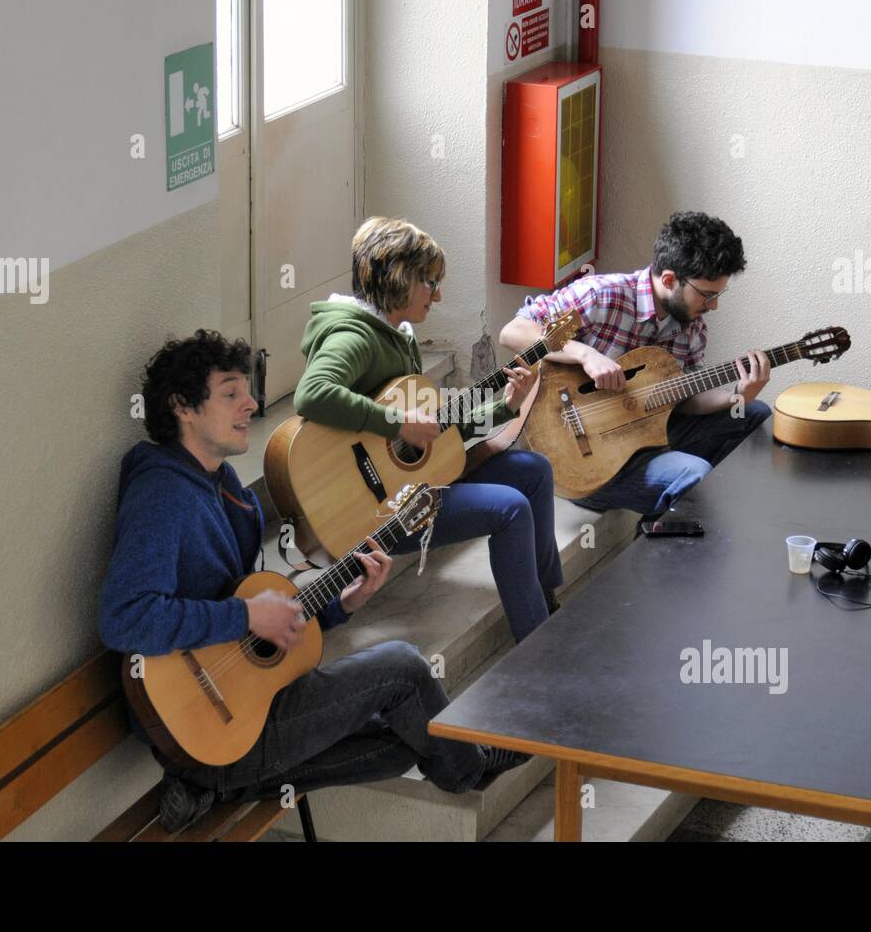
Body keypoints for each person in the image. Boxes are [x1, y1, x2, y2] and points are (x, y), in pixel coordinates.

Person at [98, 330, 523, 831]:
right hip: (205, 726)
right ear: (183, 408)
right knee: (403, 669)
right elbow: (126, 618)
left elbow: (258, 603)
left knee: (403, 740)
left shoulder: (223, 485)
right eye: (231, 393)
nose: (251, 405)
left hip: (242, 708)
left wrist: (342, 602)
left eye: (247, 391)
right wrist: (246, 615)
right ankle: (468, 768)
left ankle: (213, 787)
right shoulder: (162, 494)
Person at [294, 216, 564, 643]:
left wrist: (505, 406)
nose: (437, 295)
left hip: (410, 486)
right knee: (510, 508)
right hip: (375, 510)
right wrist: (397, 422)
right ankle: (537, 644)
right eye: (430, 283)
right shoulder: (353, 338)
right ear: (400, 280)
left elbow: (433, 435)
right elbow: (312, 394)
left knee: (533, 471)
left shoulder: (398, 336)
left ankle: (547, 599)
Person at [499, 211, 772, 518]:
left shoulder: (691, 325)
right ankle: (672, 512)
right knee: (694, 474)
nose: (714, 306)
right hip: (582, 458)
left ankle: (674, 513)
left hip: (642, 437)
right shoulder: (603, 294)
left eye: (718, 294)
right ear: (669, 279)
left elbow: (684, 399)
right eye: (707, 295)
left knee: (756, 414)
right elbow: (514, 332)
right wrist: (585, 354)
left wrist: (737, 394)